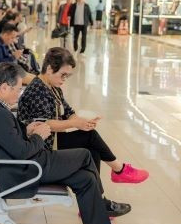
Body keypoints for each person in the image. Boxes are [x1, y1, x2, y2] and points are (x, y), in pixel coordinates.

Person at [0, 62, 127, 224]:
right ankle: (102, 203)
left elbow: (7, 138)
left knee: (86, 179)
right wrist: (40, 136)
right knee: (85, 154)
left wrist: (27, 130)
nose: (19, 93)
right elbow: (22, 152)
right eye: (18, 88)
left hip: (20, 165)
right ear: (4, 86)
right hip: (24, 169)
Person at [17, 47, 149, 191]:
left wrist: (82, 122)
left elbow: (69, 112)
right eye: (63, 75)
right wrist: (75, 123)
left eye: (67, 76)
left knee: (93, 148)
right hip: (40, 147)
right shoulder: (37, 91)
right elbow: (45, 124)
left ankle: (98, 199)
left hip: (51, 140)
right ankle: (118, 171)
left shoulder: (52, 87)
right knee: (90, 138)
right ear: (49, 69)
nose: (64, 80)